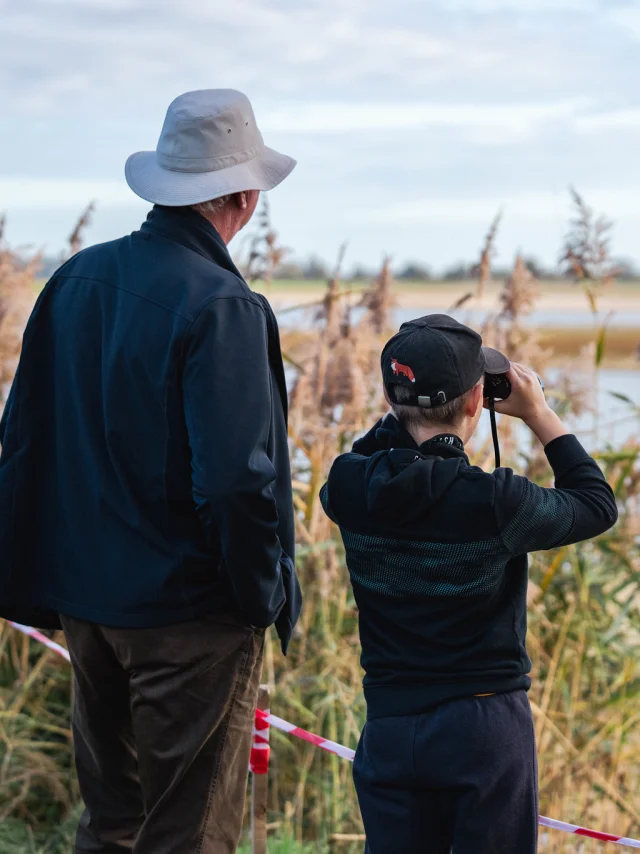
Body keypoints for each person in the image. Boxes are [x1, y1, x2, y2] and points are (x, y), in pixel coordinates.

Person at [0, 89, 301, 854]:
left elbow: (27, 440)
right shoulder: (224, 305)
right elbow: (237, 482)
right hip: (189, 619)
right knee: (189, 835)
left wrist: (37, 578)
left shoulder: (75, 281)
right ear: (243, 194)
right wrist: (257, 596)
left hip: (89, 608)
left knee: (112, 825)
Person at [320, 314, 618, 854]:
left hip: (390, 725)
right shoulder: (495, 503)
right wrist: (539, 413)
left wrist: (410, 409)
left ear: (391, 399)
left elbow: (377, 447)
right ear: (477, 400)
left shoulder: (346, 486)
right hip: (482, 728)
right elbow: (597, 505)